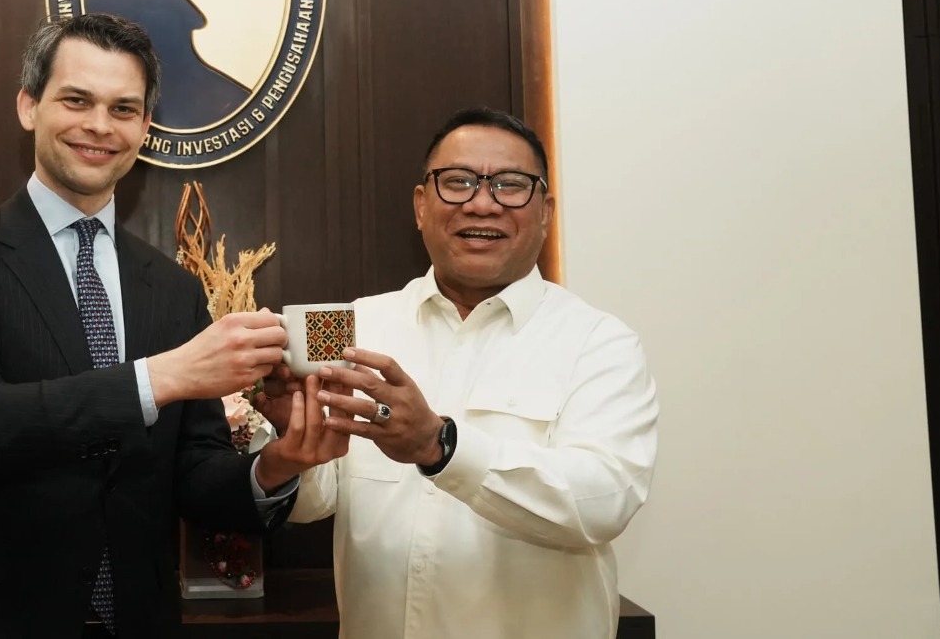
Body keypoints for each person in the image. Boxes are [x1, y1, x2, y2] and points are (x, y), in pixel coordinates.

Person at [0, 13, 346, 638]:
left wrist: (277, 465)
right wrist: (160, 378)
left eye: (123, 109)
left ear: (145, 127)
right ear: (28, 106)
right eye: (76, 100)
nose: (100, 125)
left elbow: (195, 474)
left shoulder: (173, 289)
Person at [280, 107, 659, 639]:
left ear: (546, 212)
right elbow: (313, 502)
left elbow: (603, 502)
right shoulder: (352, 322)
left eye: (510, 185)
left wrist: (441, 447)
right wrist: (291, 436)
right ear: (421, 205)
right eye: (457, 182)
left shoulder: (600, 342)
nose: (482, 203)